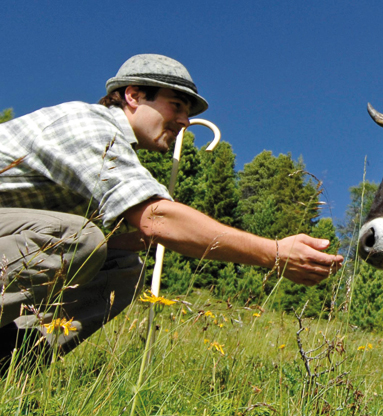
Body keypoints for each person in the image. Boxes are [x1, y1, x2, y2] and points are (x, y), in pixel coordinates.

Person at [0, 54, 343, 369]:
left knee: (120, 266)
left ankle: (10, 360)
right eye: (175, 105)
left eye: (187, 112)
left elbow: (139, 231)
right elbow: (156, 219)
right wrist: (275, 252)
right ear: (133, 95)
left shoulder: (113, 148)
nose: (184, 120)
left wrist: (134, 241)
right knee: (76, 237)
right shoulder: (84, 125)